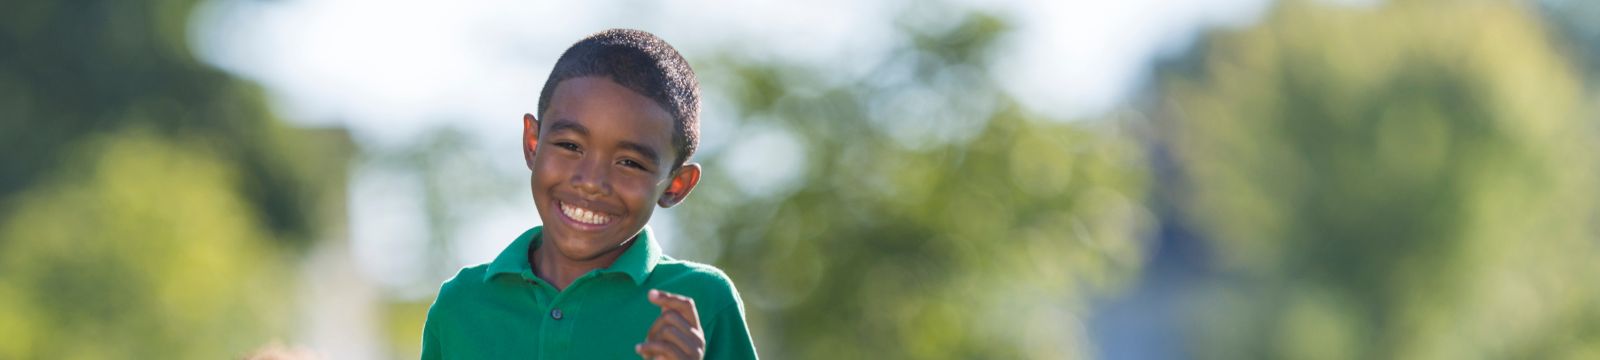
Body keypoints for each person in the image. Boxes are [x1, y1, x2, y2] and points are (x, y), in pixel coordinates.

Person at [420, 29, 758, 360]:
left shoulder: (699, 303)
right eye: (570, 145)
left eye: (630, 162)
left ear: (675, 185)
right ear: (533, 143)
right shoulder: (461, 304)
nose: (592, 181)